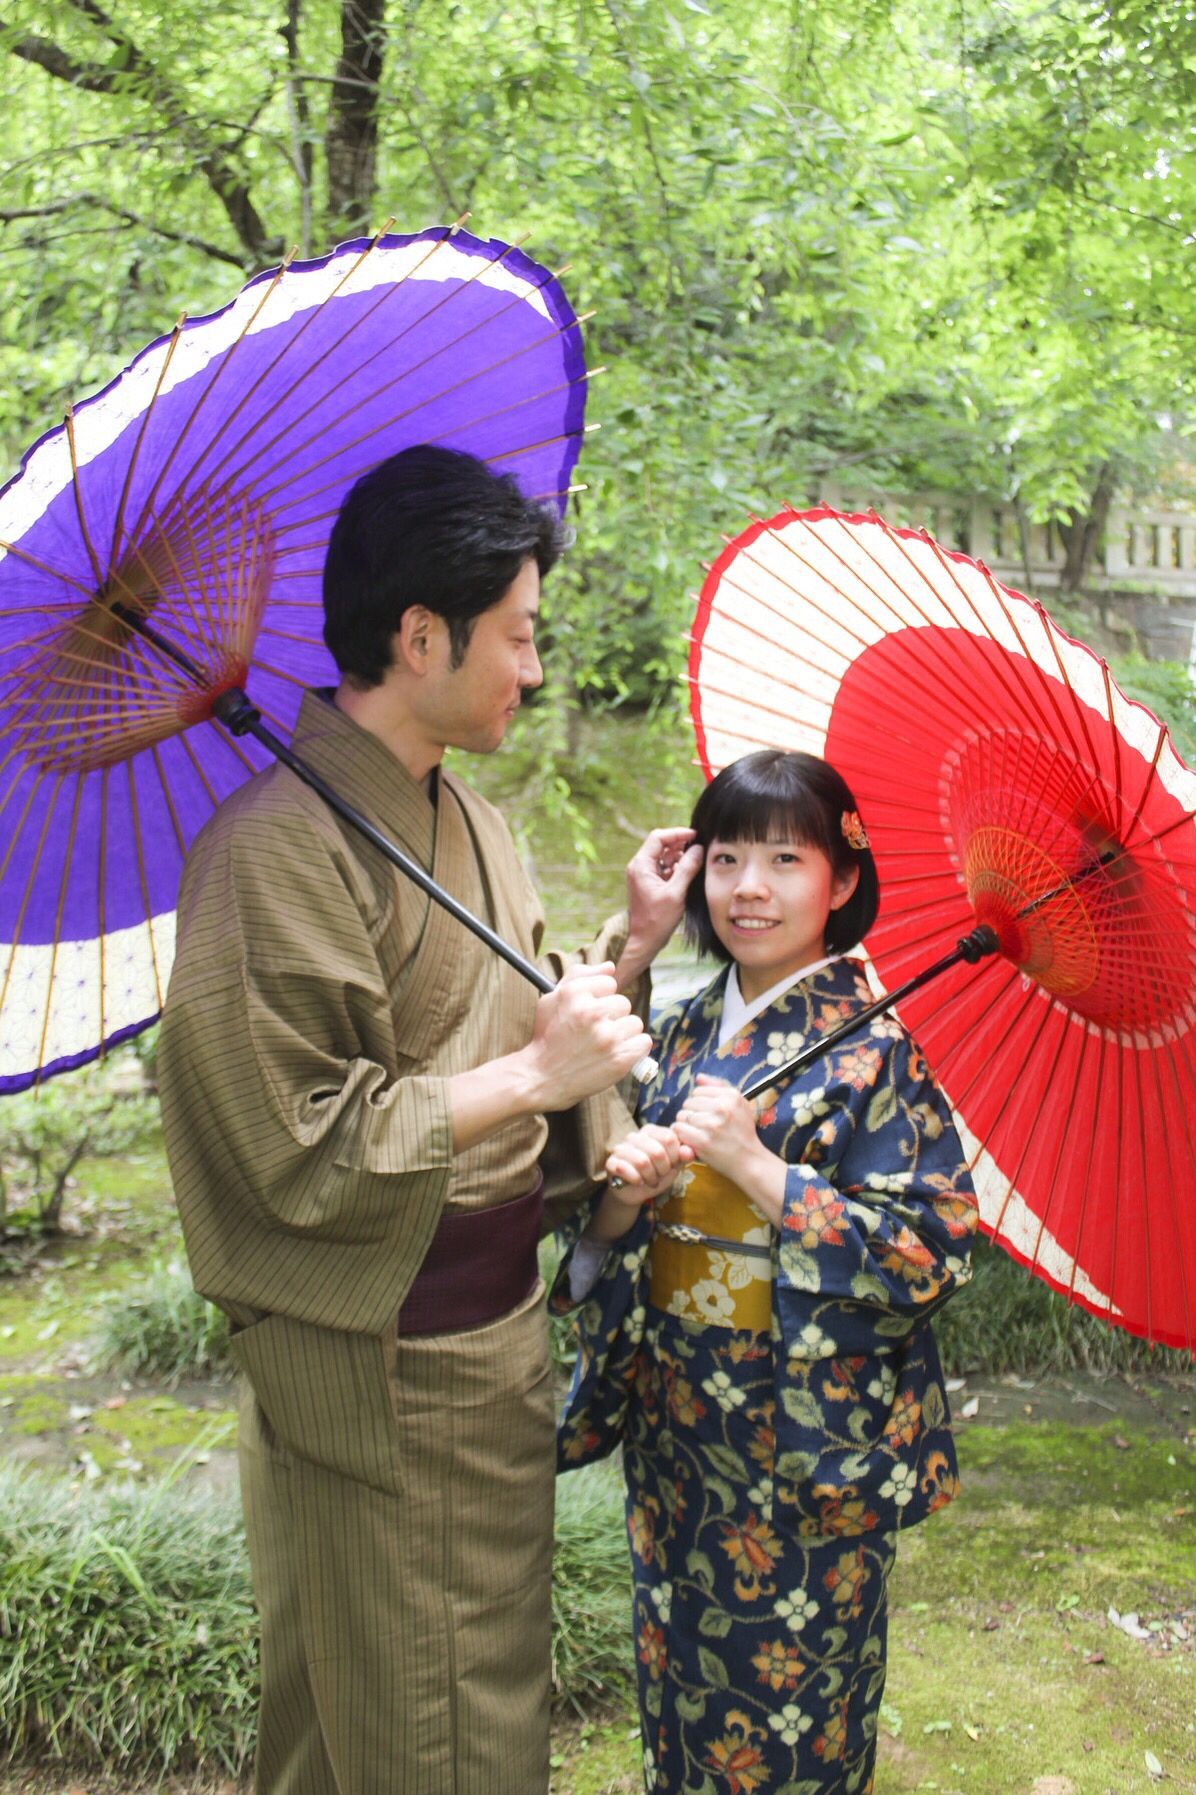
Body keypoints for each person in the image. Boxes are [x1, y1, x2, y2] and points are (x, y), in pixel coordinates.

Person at [157, 444, 703, 1795]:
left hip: (488, 1353)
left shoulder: (475, 824)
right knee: (405, 1713)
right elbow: (294, 1137)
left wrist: (626, 952)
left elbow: (508, 1025)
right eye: (516, 634)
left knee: (442, 1696)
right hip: (378, 1370)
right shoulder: (267, 849)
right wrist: (535, 1081)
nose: (534, 668)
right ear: (419, 636)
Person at [554, 749, 978, 1795]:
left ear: (842, 879)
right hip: (678, 1424)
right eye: (728, 857)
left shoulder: (877, 1054)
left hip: (798, 1448)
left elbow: (931, 1245)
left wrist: (757, 1168)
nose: (749, 887)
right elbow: (605, 1225)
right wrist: (624, 1202)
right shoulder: (687, 1027)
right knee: (678, 1674)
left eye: (785, 859)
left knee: (796, 1705)